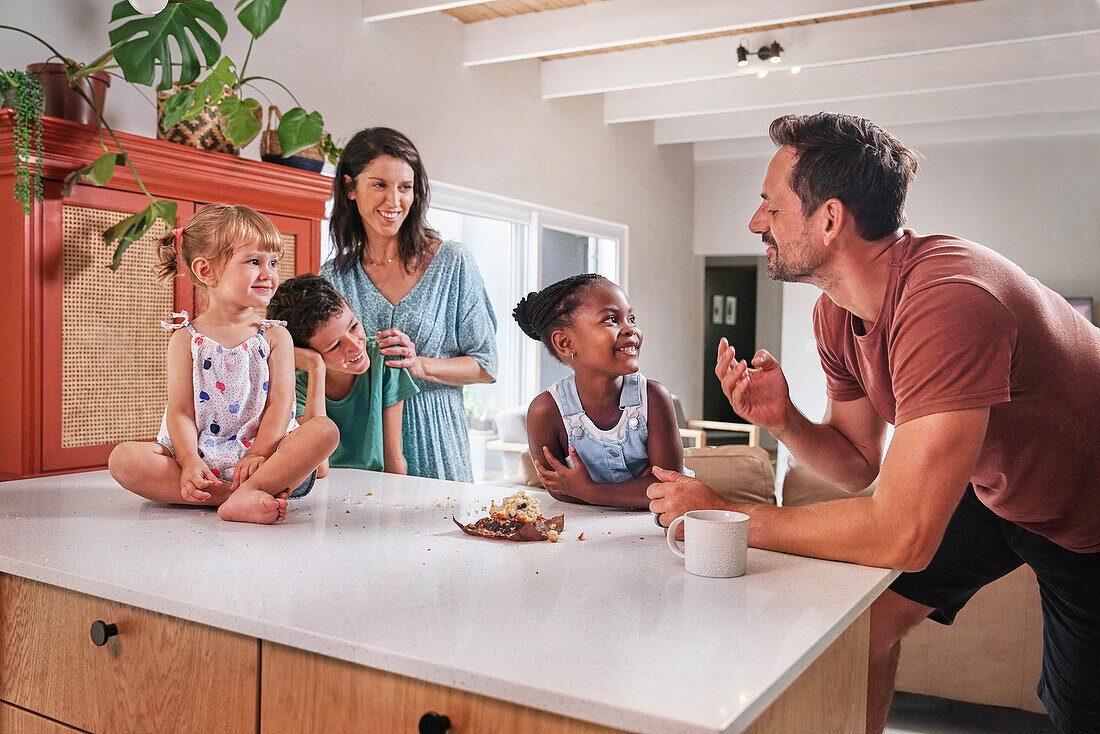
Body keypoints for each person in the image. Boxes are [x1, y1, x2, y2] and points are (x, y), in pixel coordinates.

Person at [645, 113, 1100, 734]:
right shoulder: (837, 312)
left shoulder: (950, 301)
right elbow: (861, 461)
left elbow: (901, 536)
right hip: (1002, 491)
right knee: (865, 625)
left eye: (770, 208)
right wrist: (784, 420)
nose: (757, 224)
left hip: (1089, 510)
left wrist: (727, 517)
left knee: (1081, 710)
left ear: (830, 219)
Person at [108, 205, 339, 524]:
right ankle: (228, 497)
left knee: (324, 431)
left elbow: (281, 404)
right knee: (123, 459)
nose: (269, 273)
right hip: (203, 461)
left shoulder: (274, 336)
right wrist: (189, 461)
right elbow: (180, 411)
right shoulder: (184, 339)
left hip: (268, 462)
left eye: (273, 262)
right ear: (206, 271)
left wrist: (259, 453)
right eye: (254, 261)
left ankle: (255, 488)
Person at [321, 127, 497, 482]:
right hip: (361, 444)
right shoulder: (333, 277)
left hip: (436, 437)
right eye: (379, 185)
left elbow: (485, 365)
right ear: (350, 188)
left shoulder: (453, 262)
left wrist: (420, 366)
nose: (394, 201)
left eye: (405, 187)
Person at [513, 273, 688, 509]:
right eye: (611, 320)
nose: (630, 329)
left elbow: (670, 487)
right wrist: (639, 488)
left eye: (631, 318)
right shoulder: (545, 411)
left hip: (657, 527)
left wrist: (591, 491)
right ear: (566, 343)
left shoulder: (654, 398)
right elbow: (560, 491)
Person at [266, 273, 419, 474]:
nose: (355, 346)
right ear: (303, 352)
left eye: (354, 326)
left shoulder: (385, 359)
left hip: (376, 487)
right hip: (323, 488)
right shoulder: (294, 386)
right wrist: (316, 369)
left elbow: (394, 457)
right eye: (335, 345)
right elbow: (318, 467)